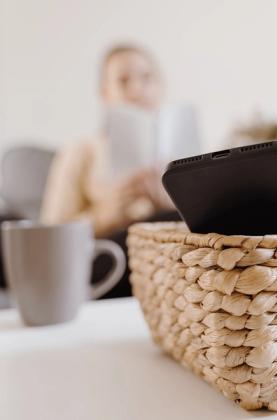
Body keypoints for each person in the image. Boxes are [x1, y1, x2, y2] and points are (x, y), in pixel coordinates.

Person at [41, 44, 179, 297]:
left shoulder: (177, 158)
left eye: (147, 78)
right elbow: (49, 234)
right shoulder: (81, 151)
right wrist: (104, 216)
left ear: (160, 87)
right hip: (103, 257)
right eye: (123, 81)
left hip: (166, 262)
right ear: (105, 93)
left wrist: (166, 204)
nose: (137, 89)